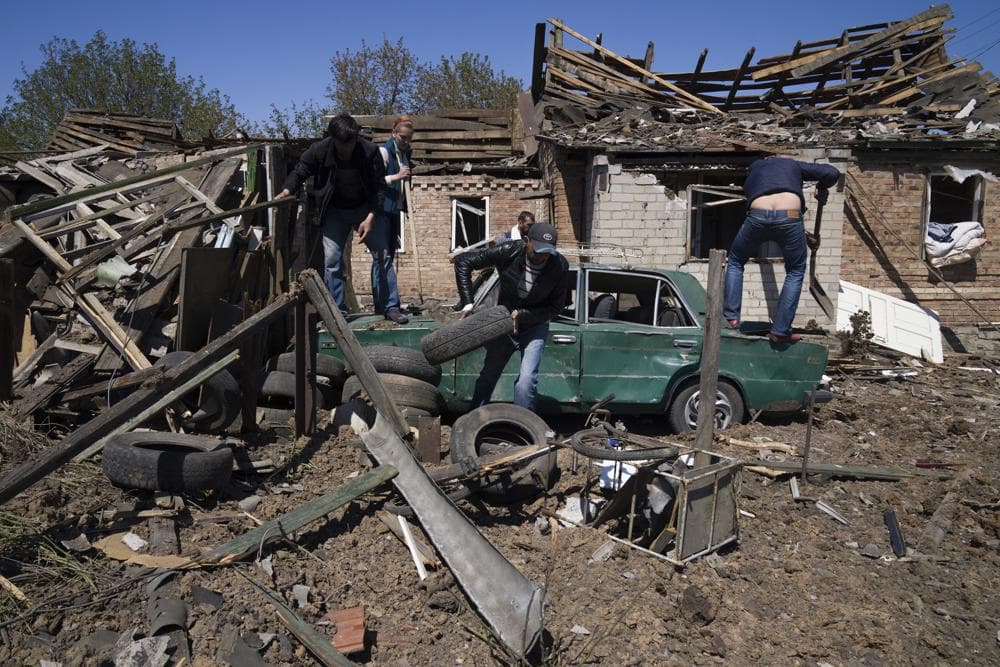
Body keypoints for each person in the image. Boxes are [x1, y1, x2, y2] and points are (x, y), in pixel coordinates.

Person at [274, 113, 402, 321]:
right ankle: (338, 314)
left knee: (383, 255)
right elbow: (301, 170)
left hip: (364, 208)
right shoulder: (319, 151)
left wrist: (371, 217)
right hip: (334, 211)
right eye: (342, 145)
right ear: (332, 139)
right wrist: (288, 190)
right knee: (332, 260)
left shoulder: (369, 152)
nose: (347, 149)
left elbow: (380, 188)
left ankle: (390, 307)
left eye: (350, 144)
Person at [723, 157, 840, 343]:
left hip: (757, 216)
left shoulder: (754, 170)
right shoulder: (793, 164)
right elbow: (832, 172)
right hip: (790, 216)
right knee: (795, 270)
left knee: (736, 261)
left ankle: (730, 319)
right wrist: (822, 185)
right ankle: (780, 331)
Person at [454, 222, 569, 411]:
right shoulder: (509, 251)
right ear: (526, 241)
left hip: (535, 325)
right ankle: (473, 419)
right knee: (489, 374)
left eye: (548, 252)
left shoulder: (560, 266)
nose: (543, 256)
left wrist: (524, 315)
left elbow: (556, 307)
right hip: (504, 324)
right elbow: (463, 262)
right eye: (539, 250)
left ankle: (522, 426)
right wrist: (468, 302)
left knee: (527, 379)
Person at [375, 115, 414, 324]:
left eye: (408, 138)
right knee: (382, 258)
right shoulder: (384, 152)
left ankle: (382, 304)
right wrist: (396, 177)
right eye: (402, 137)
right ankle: (388, 305)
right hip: (380, 211)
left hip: (394, 210)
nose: (405, 141)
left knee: (386, 256)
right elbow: (375, 181)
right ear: (393, 133)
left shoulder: (405, 154)